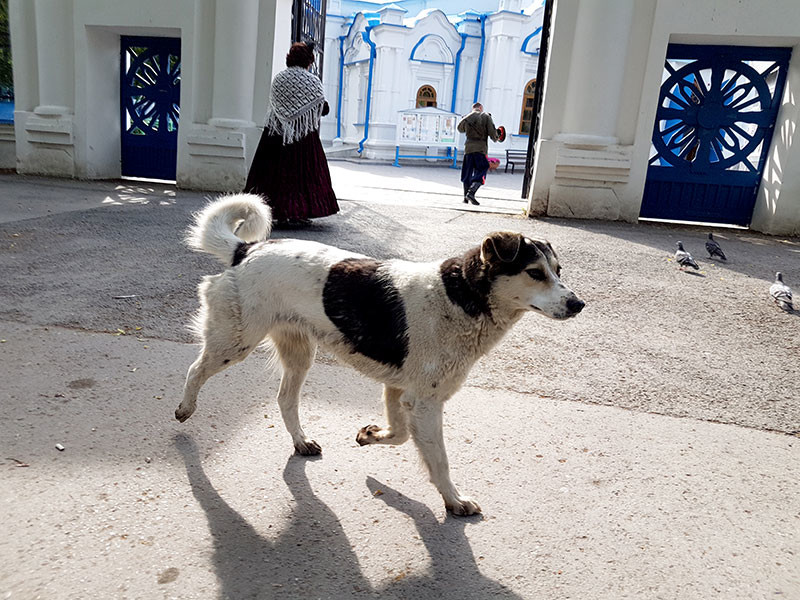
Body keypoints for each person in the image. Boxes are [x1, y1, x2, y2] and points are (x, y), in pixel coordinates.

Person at [244, 42, 338, 227]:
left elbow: (274, 105)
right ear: (308, 61)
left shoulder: (279, 79)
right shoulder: (312, 81)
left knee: (271, 173)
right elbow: (322, 108)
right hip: (303, 138)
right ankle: (299, 213)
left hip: (275, 136)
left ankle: (270, 211)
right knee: (303, 175)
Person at [457, 102, 499, 205]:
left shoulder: (467, 117)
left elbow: (460, 129)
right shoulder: (485, 116)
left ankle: (465, 198)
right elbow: (492, 133)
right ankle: (471, 192)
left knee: (467, 173)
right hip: (480, 149)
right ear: (480, 108)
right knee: (482, 168)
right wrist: (496, 138)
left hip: (468, 149)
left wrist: (466, 118)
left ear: (473, 108)